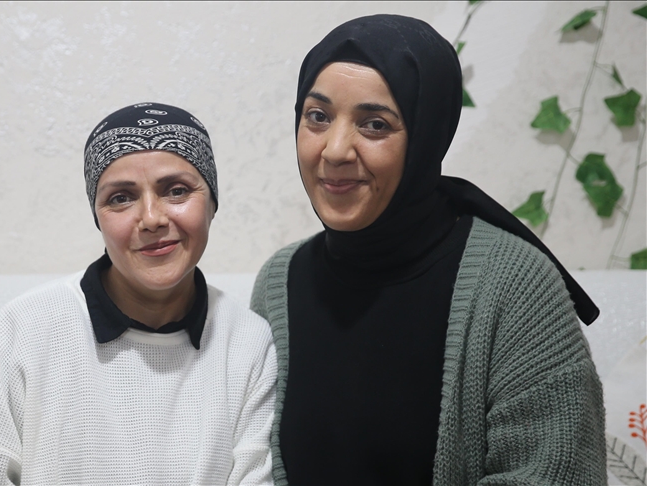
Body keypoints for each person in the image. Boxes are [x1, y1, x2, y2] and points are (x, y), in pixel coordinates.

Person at [250, 15, 606, 486]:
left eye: (374, 124)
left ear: (426, 136)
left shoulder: (515, 285)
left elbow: (558, 473)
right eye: (318, 116)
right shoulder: (278, 283)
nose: (335, 150)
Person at [0, 102, 277, 485]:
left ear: (212, 202)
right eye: (120, 198)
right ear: (97, 217)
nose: (152, 218)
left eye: (177, 191)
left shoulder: (248, 341)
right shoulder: (26, 329)